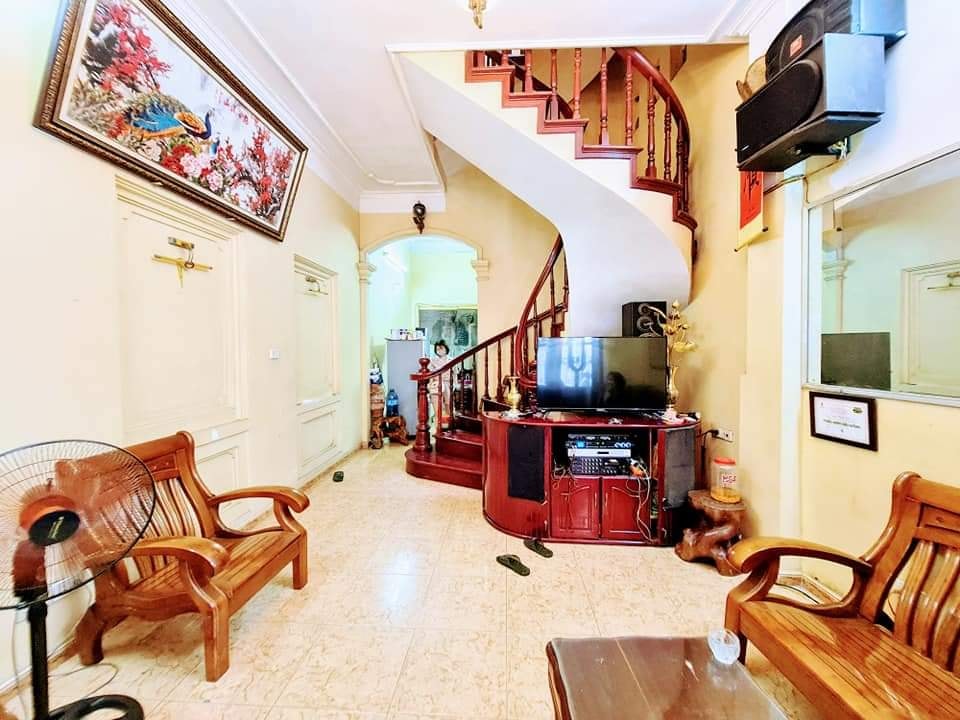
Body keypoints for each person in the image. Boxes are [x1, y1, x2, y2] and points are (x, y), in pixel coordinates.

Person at [428, 340, 451, 429]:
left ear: (446, 348)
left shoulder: (451, 360)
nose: (439, 350)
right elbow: (430, 375)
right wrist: (430, 385)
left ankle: (449, 426)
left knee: (448, 405)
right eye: (437, 349)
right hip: (436, 385)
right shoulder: (433, 361)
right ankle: (438, 427)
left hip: (447, 384)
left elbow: (454, 375)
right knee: (437, 408)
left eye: (441, 348)